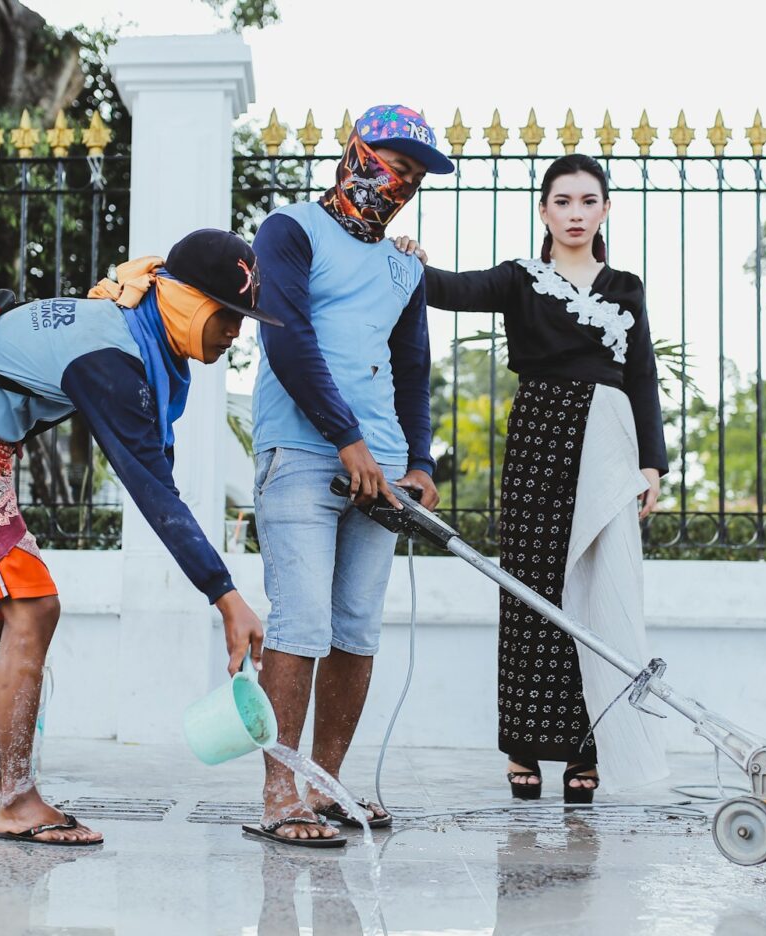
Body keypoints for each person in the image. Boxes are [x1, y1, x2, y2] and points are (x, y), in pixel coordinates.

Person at [0, 229, 273, 845]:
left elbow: (156, 463)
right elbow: (153, 490)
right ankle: (15, 799)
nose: (235, 334)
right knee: (34, 606)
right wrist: (225, 596)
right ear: (185, 302)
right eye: (227, 315)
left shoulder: (129, 334)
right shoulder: (109, 355)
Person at [398, 153, 670, 801]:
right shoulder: (520, 279)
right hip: (538, 442)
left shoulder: (625, 287)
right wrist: (405, 257)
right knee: (531, 588)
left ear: (606, 209)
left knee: (599, 592)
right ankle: (523, 745)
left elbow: (642, 376)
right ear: (542, 209)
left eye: (588, 201)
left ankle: (587, 748)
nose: (575, 214)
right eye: (563, 201)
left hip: (608, 444)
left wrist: (652, 463)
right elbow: (448, 289)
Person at [245, 104, 453, 847]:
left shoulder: (404, 266)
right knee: (300, 621)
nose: (399, 185)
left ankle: (325, 783)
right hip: (302, 453)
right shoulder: (290, 230)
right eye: (394, 166)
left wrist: (418, 463)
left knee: (356, 628)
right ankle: (279, 792)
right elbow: (289, 341)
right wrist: (345, 440)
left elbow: (413, 371)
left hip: (385, 467)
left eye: (415, 178)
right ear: (355, 153)